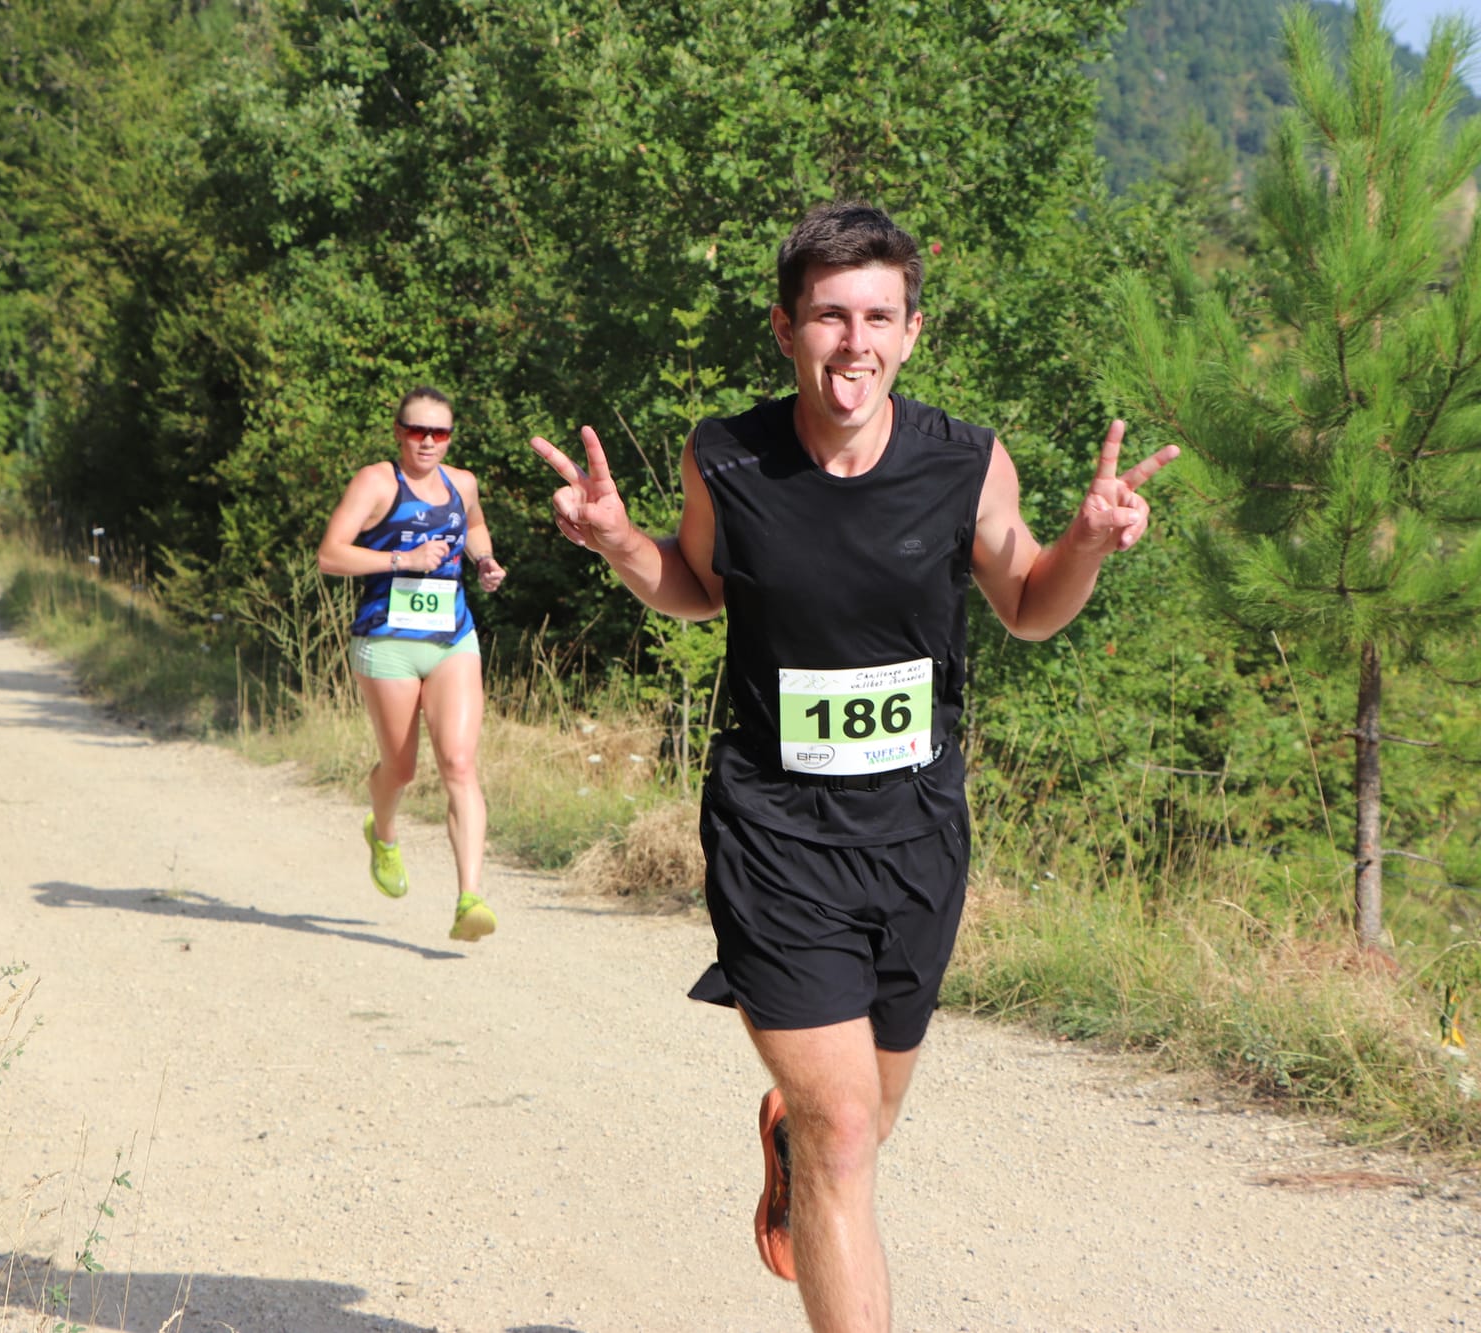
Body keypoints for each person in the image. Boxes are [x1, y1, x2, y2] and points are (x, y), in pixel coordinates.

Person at [531, 202, 1176, 1332]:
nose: (854, 342)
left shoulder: (964, 461)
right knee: (842, 1132)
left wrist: (1082, 542)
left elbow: (1028, 606)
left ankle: (790, 1135)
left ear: (912, 332)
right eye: (830, 316)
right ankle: (809, 1136)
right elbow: (699, 588)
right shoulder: (726, 456)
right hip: (774, 829)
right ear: (786, 329)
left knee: (862, 1122)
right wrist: (621, 542)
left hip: (916, 835)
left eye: (879, 316)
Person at [317, 386, 508, 943]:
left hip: (452, 638)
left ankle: (470, 898)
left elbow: (474, 527)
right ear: (399, 432)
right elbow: (330, 555)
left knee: (459, 764)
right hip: (387, 640)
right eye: (418, 431)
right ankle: (382, 832)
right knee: (401, 770)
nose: (428, 442)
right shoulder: (377, 482)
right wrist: (403, 558)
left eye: (439, 433)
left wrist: (485, 560)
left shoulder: (462, 484)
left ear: (450, 437)